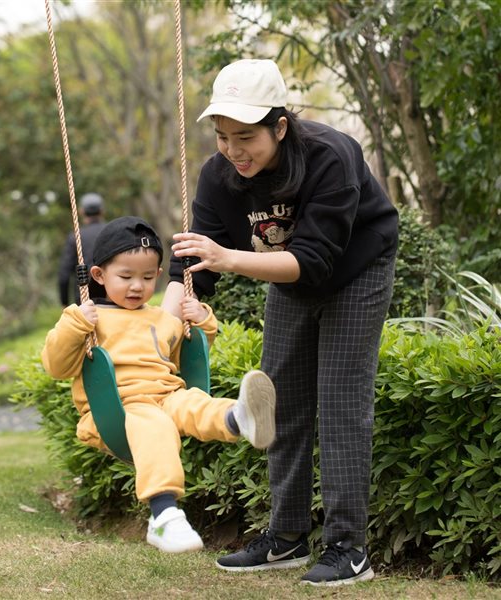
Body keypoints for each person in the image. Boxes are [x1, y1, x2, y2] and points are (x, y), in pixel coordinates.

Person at [162, 59, 398, 585]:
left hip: (356, 272)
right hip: (288, 277)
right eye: (223, 136)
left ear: (280, 126)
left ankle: (347, 548)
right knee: (277, 400)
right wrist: (162, 328)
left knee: (340, 402)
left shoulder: (331, 156)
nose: (233, 150)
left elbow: (312, 261)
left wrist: (228, 257)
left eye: (246, 136)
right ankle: (286, 537)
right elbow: (191, 267)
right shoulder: (219, 176)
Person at [42, 216, 277, 554]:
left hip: (166, 395)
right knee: (154, 423)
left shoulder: (160, 319)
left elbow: (188, 356)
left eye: (148, 277)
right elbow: (56, 365)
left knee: (194, 403)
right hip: (116, 411)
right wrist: (75, 324)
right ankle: (164, 515)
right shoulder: (87, 319)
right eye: (126, 277)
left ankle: (240, 418)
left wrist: (202, 322)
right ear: (99, 275)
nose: (137, 286)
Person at [58, 192, 106, 306]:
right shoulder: (112, 231)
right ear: (102, 211)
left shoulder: (75, 237)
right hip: (111, 295)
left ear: (81, 211)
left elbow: (64, 274)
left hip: (84, 299)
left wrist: (64, 303)